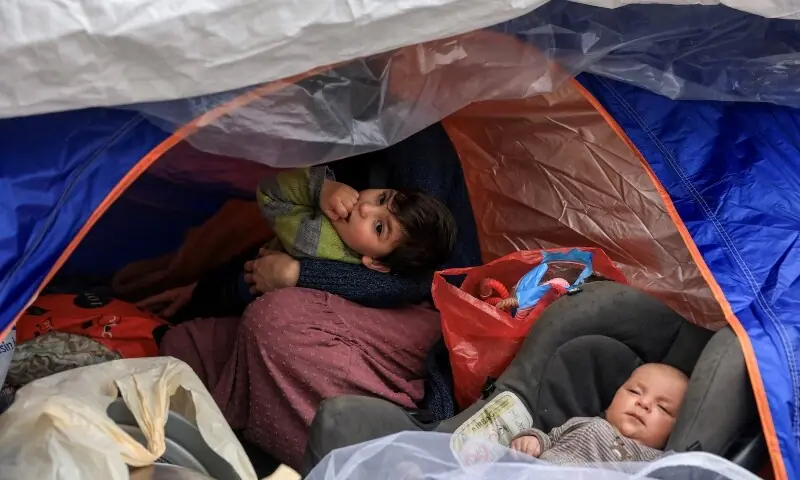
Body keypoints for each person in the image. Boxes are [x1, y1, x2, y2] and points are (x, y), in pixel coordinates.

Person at [151, 123, 482, 470]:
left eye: (379, 224)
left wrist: (298, 275)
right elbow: (280, 243)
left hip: (430, 322)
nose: (367, 209)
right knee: (179, 350)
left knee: (274, 319)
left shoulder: (412, 145)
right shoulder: (339, 166)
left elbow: (418, 280)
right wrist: (202, 293)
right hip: (329, 308)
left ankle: (370, 459)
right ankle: (259, 425)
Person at [510, 363, 689, 464]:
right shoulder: (582, 423)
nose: (643, 403)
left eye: (663, 408)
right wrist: (533, 440)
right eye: (635, 392)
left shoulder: (655, 462)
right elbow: (549, 439)